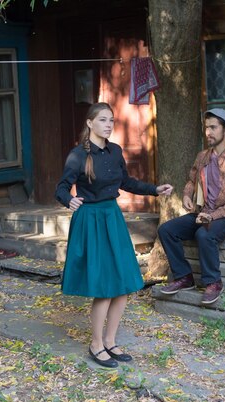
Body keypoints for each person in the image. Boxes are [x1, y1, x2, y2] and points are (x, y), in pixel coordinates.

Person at [55, 102, 173, 368]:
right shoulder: (77, 155)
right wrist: (69, 200)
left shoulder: (115, 151)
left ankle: (110, 340)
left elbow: (126, 182)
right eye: (103, 120)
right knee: (105, 287)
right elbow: (61, 187)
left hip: (112, 217)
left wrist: (155, 189)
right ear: (90, 123)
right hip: (91, 220)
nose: (109, 125)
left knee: (124, 283)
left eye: (111, 121)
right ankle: (95, 344)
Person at [158, 108, 225, 304]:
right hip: (203, 213)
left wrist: (213, 216)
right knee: (167, 230)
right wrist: (186, 194)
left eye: (213, 127)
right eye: (206, 127)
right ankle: (184, 277)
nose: (208, 132)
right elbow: (192, 180)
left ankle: (213, 283)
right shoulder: (202, 157)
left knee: (204, 234)